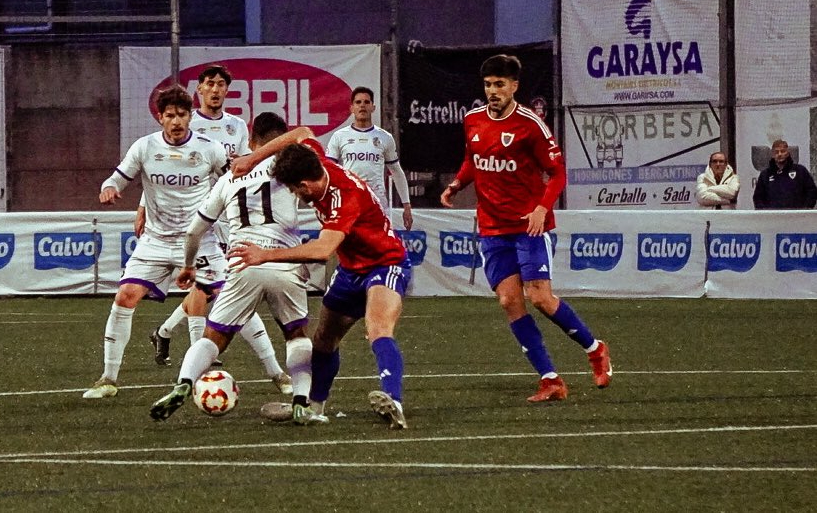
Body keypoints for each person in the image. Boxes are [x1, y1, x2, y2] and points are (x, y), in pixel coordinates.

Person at [439, 54, 612, 403]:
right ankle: (550, 380)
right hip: (492, 227)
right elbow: (473, 159)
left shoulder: (531, 125)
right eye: (488, 85)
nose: (492, 91)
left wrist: (541, 208)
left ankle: (595, 349)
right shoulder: (473, 120)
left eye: (499, 85)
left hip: (528, 227)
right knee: (509, 300)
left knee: (540, 298)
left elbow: (557, 174)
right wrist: (456, 184)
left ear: (514, 86)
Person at [227, 125, 414, 429]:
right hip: (351, 268)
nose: (295, 195)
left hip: (386, 263)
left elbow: (323, 250)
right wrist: (252, 158)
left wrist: (265, 255)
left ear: (304, 185)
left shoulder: (345, 196)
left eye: (294, 190)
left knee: (378, 327)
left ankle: (394, 401)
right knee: (324, 339)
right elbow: (301, 132)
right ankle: (314, 409)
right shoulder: (315, 160)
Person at [150, 112, 320, 424]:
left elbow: (193, 233)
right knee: (296, 334)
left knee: (213, 337)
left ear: (252, 141)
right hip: (284, 261)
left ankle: (183, 383)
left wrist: (188, 266)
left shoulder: (229, 178)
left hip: (243, 263)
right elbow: (304, 134)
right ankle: (300, 401)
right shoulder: (287, 169)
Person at [145, 65, 290, 396]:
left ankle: (167, 335)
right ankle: (258, 370)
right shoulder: (185, 123)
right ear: (199, 89)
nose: (215, 89)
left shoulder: (236, 126)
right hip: (194, 216)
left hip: (231, 214)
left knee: (219, 287)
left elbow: (246, 165)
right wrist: (145, 207)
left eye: (221, 84)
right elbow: (161, 166)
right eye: (209, 83)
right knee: (226, 288)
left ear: (226, 90)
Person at [83, 84, 230, 399]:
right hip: (156, 240)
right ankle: (108, 379)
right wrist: (109, 187)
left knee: (227, 298)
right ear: (160, 117)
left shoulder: (210, 149)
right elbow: (118, 177)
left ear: (190, 117)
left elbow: (233, 181)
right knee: (125, 296)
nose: (176, 121)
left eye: (182, 115)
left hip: (199, 240)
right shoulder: (144, 147)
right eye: (170, 115)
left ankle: (276, 373)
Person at [327, 87, 413, 230]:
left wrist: (407, 205)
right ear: (351, 108)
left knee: (379, 242)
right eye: (358, 102)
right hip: (350, 202)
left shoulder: (385, 137)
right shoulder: (339, 136)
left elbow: (396, 172)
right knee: (350, 242)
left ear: (373, 107)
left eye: (366, 102)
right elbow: (329, 171)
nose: (362, 105)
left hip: (377, 202)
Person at [753, 139, 817, 209]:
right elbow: (758, 197)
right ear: (772, 154)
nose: (779, 154)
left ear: (788, 153)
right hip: (772, 215)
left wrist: (805, 209)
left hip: (796, 214)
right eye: (776, 152)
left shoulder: (800, 171)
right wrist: (764, 211)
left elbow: (811, 192)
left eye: (783, 151)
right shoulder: (765, 175)